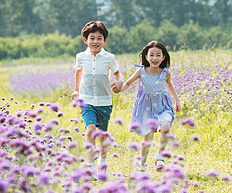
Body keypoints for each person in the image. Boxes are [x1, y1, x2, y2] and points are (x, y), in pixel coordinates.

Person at [113, 41, 181, 171]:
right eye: (152, 55)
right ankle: (143, 163)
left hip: (163, 106)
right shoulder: (141, 71)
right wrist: (120, 88)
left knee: (166, 126)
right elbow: (128, 83)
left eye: (158, 55)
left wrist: (177, 101)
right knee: (148, 137)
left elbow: (170, 86)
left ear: (163, 57)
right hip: (146, 107)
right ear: (146, 57)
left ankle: (159, 156)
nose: (155, 58)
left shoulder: (165, 72)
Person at [72, 21, 123, 180]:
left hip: (104, 101)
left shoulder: (109, 58)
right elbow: (78, 73)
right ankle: (90, 164)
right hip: (86, 100)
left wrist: (119, 82)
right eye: (92, 38)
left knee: (102, 135)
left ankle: (103, 160)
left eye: (99, 38)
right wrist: (76, 90)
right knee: (90, 130)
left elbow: (117, 73)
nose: (95, 41)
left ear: (105, 40)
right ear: (85, 40)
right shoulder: (81, 57)